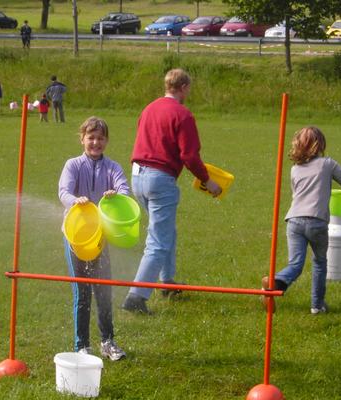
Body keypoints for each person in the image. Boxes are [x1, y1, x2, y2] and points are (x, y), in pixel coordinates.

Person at [121, 68, 222, 314]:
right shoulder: (183, 114)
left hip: (137, 175)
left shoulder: (149, 108)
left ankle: (167, 282)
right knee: (158, 240)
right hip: (160, 179)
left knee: (165, 231)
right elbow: (189, 155)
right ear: (184, 87)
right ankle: (136, 296)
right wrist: (207, 180)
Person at [262, 126, 341, 315]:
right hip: (317, 221)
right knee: (320, 262)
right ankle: (317, 305)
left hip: (294, 220)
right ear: (320, 144)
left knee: (295, 264)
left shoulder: (295, 169)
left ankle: (276, 282)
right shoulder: (327, 164)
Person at [58, 116, 129, 361]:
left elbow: (124, 189)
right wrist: (73, 200)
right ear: (82, 139)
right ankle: (82, 346)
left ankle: (108, 342)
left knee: (103, 291)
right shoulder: (73, 165)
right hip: (76, 238)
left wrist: (115, 194)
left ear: (106, 141)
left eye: (100, 138)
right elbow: (64, 191)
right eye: (91, 138)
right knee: (82, 292)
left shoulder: (113, 167)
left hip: (100, 239)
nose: (95, 142)